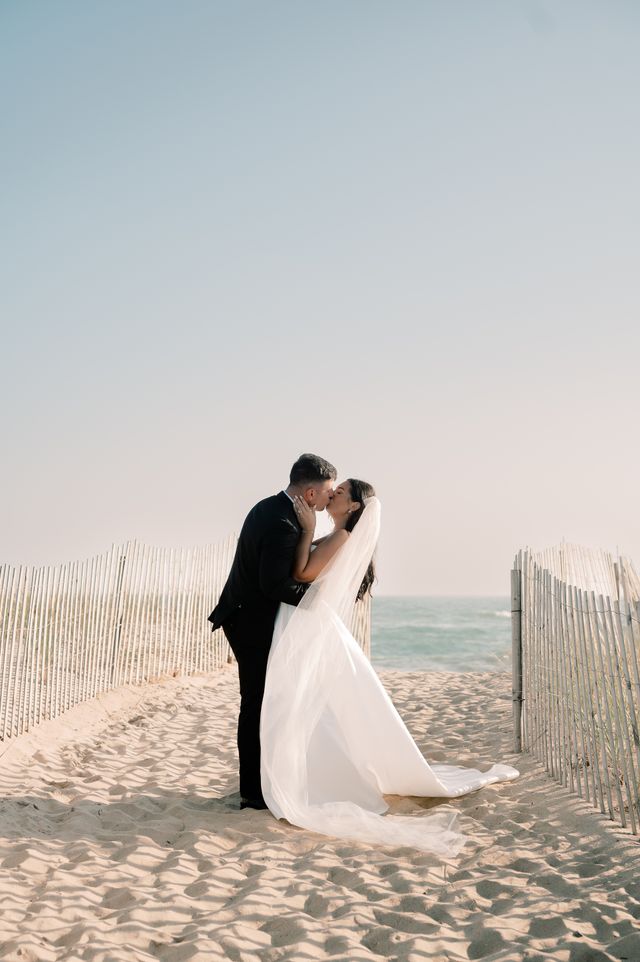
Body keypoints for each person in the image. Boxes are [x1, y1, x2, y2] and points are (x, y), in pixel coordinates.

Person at [259, 480, 520, 856]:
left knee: (307, 702)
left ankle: (314, 778)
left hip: (310, 624)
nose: (333, 494)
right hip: (309, 622)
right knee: (314, 703)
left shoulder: (342, 536)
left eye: (340, 492)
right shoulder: (339, 535)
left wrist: (308, 529)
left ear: (353, 507)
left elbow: (301, 575)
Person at [207, 453, 336, 810]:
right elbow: (274, 585)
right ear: (310, 494)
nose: (329, 498)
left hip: (246, 616)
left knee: (263, 701)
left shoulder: (269, 507)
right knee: (257, 703)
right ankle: (253, 793)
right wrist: (321, 599)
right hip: (250, 623)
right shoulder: (283, 523)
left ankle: (260, 784)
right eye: (327, 492)